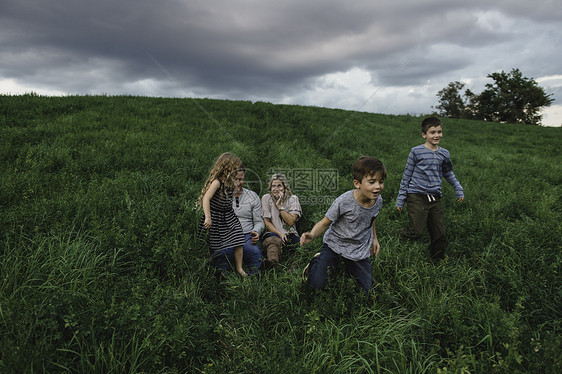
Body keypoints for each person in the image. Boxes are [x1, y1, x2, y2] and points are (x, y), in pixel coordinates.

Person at [301, 156, 386, 293]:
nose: (378, 186)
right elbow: (324, 223)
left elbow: (371, 218)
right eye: (372, 182)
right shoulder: (343, 202)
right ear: (357, 183)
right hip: (335, 245)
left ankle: (346, 264)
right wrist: (312, 234)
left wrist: (375, 239)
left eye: (381, 182)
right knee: (316, 285)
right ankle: (315, 263)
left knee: (366, 291)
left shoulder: (377, 200)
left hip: (359, 249)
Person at [395, 116, 464, 261]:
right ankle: (396, 236)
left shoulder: (444, 154)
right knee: (416, 231)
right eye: (432, 132)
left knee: (440, 233)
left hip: (435, 197)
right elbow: (406, 175)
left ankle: (437, 260)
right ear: (424, 134)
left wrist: (458, 188)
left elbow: (448, 173)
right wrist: (401, 199)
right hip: (416, 196)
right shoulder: (416, 151)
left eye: (439, 132)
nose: (437, 135)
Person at [197, 152, 247, 277]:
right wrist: (208, 216)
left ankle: (239, 268)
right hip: (215, 216)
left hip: (228, 215)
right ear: (228, 168)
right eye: (235, 169)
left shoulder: (230, 182)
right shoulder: (217, 182)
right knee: (213, 243)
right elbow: (206, 198)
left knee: (238, 237)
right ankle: (215, 268)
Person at [210, 166, 264, 276]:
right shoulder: (221, 196)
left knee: (255, 253)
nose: (238, 183)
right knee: (222, 254)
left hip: (246, 234)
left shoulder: (252, 196)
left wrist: (256, 231)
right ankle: (223, 278)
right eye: (235, 179)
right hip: (227, 234)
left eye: (241, 179)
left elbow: (259, 221)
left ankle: (253, 277)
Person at [261, 173, 302, 268]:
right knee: (273, 241)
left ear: (284, 187)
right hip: (274, 232)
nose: (276, 189)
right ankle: (272, 263)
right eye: (273, 186)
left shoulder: (293, 199)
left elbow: (291, 221)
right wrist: (280, 234)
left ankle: (293, 270)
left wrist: (280, 207)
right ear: (270, 188)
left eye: (279, 186)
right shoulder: (266, 198)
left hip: (290, 233)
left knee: (300, 248)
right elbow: (266, 222)